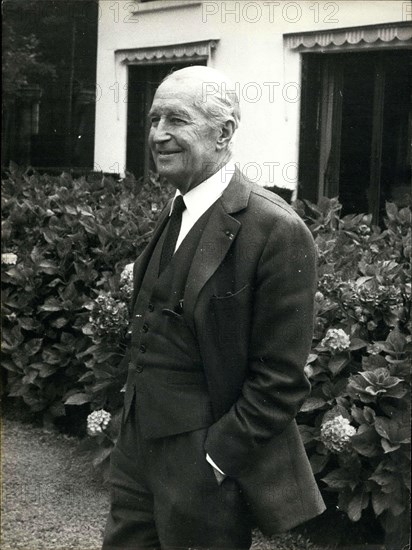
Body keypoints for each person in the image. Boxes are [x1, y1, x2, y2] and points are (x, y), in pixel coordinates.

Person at [102, 65, 325, 550]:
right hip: (137, 451)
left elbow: (281, 377)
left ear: (223, 132)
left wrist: (216, 458)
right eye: (154, 119)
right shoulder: (176, 208)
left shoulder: (276, 229)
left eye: (176, 120)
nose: (158, 135)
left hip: (204, 463)